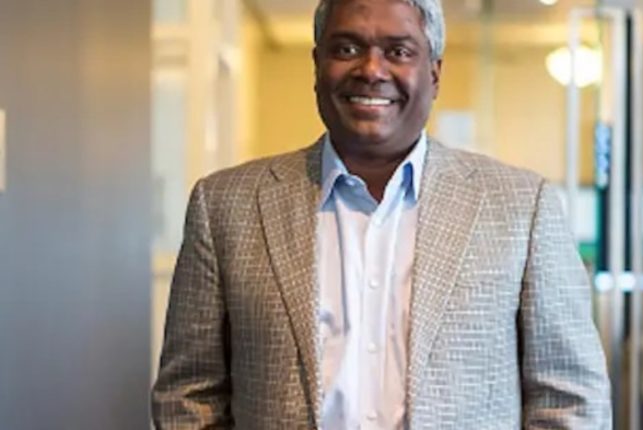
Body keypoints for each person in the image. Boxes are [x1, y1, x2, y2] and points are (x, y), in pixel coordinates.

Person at [151, 0, 612, 428]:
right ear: (317, 66)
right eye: (347, 48)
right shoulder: (225, 205)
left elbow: (570, 399)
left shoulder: (522, 206)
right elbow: (189, 397)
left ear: (434, 73)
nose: (371, 70)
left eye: (398, 51)